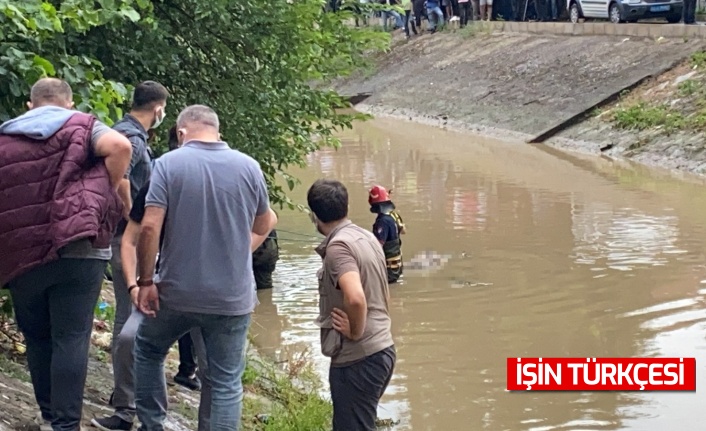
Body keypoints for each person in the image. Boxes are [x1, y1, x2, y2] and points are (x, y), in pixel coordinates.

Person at [133, 105, 277, 431]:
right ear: (217, 130)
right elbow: (265, 223)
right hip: (230, 298)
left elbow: (149, 228)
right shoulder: (249, 167)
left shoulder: (167, 164)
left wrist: (145, 281)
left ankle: (152, 424)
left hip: (176, 293)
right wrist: (240, 252)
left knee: (149, 350)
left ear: (181, 133)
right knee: (226, 381)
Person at [0, 78, 131, 431]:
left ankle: (47, 415)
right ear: (69, 103)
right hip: (81, 249)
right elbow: (120, 146)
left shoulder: (5, 137)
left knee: (37, 337)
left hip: (21, 253)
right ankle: (65, 425)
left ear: (30, 106)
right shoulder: (82, 126)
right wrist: (104, 189)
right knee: (72, 337)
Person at [92, 81, 169, 431]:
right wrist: (130, 214)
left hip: (123, 236)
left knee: (130, 318)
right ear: (158, 109)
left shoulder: (116, 131)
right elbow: (122, 179)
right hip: (127, 238)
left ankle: (127, 398)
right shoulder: (134, 140)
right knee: (129, 319)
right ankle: (127, 403)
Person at [308, 179, 396, 431]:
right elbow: (384, 293)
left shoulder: (338, 248)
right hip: (382, 348)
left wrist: (355, 331)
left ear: (314, 215)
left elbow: (356, 297)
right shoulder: (366, 237)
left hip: (359, 358)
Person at [369, 185, 406, 284]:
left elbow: (378, 245)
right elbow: (403, 231)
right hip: (397, 266)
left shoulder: (382, 221)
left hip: (387, 269)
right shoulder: (394, 215)